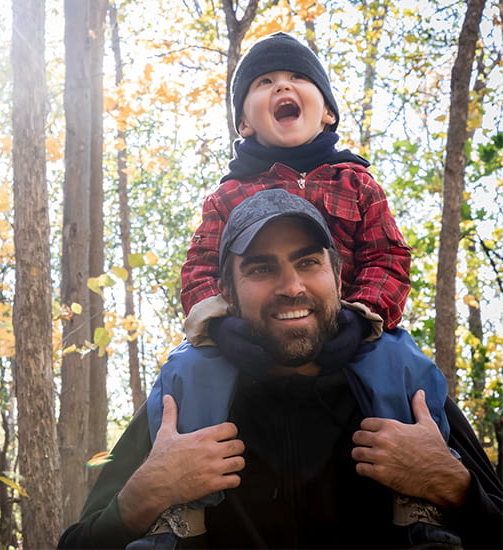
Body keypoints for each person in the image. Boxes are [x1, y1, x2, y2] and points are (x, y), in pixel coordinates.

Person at [58, 191, 502, 549]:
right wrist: (143, 496)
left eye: (308, 263)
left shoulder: (406, 391)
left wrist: (457, 489)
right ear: (228, 291)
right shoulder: (185, 402)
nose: (291, 287)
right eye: (261, 268)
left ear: (338, 275)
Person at [146, 31, 451, 541]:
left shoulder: (358, 183)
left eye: (297, 79)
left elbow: (388, 256)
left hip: (353, 326)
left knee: (405, 363)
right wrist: (220, 326)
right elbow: (198, 268)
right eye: (264, 82)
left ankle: (418, 501)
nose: (281, 86)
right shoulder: (228, 194)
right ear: (245, 121)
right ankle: (182, 509)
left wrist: (362, 316)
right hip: (253, 331)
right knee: (186, 367)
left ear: (326, 111)